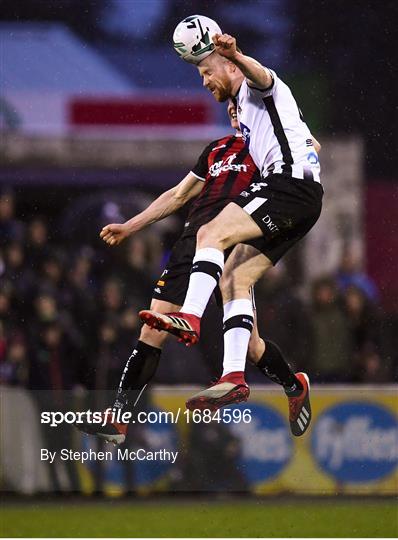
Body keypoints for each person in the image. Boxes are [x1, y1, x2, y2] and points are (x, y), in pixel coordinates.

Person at [78, 103, 309, 443]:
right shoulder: (216, 149)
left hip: (233, 241)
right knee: (151, 330)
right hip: (191, 245)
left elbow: (308, 151)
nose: (235, 109)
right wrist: (131, 226)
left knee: (252, 346)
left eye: (241, 105)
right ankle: (120, 417)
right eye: (231, 106)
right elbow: (179, 194)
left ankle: (294, 384)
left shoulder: (271, 147)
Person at [140, 26, 323, 436]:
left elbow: (263, 77)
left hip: (288, 187)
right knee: (234, 277)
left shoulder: (255, 84)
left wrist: (238, 56)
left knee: (211, 234)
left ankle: (190, 316)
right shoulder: (247, 116)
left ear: (226, 65)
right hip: (298, 196)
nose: (204, 83)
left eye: (207, 73)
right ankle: (236, 378)